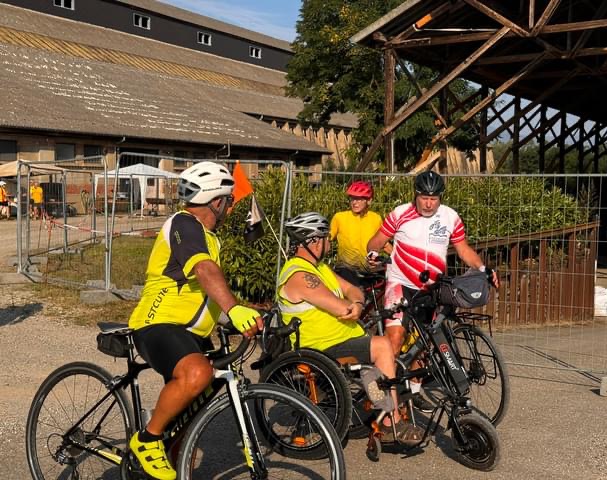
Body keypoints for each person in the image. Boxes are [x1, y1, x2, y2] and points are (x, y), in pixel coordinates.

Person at [127, 161, 263, 480]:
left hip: (191, 333)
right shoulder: (184, 224)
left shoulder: (208, 237)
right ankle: (147, 440)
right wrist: (233, 308)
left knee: (198, 400)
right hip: (158, 324)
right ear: (217, 201)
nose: (230, 208)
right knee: (198, 373)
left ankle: (172, 457)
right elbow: (205, 272)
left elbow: (204, 292)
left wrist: (242, 314)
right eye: (229, 201)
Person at [277, 212, 425, 445]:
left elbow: (354, 290)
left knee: (378, 353)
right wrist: (351, 306)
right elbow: (340, 308)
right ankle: (390, 423)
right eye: (326, 238)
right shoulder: (299, 275)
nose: (329, 242)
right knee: (383, 346)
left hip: (340, 340)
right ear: (313, 241)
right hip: (320, 348)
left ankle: (382, 403)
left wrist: (355, 302)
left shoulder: (320, 269)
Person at [367, 170, 499, 410]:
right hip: (400, 285)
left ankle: (413, 393)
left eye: (434, 198)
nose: (428, 203)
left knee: (423, 346)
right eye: (424, 198)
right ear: (415, 195)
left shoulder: (450, 217)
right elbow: (375, 241)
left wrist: (483, 268)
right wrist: (372, 254)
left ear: (440, 197)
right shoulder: (399, 214)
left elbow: (463, 249)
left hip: (431, 289)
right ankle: (379, 396)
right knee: (394, 342)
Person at [330, 180, 390, 286]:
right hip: (346, 268)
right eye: (352, 198)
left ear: (369, 201)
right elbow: (326, 239)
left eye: (359, 199)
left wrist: (398, 256)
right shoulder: (339, 217)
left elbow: (383, 243)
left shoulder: (376, 218)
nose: (354, 202)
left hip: (370, 268)